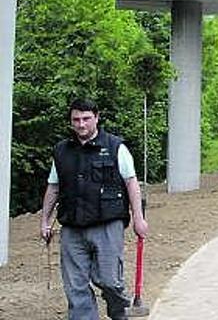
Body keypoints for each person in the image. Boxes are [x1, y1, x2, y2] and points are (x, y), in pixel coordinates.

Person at [39, 98, 149, 320]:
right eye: (76, 120)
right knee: (75, 286)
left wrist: (138, 218)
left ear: (97, 118)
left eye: (86, 119)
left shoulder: (116, 147)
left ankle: (119, 314)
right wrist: (45, 220)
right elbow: (53, 187)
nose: (81, 124)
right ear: (70, 122)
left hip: (108, 224)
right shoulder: (61, 151)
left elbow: (131, 183)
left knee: (109, 281)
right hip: (71, 227)